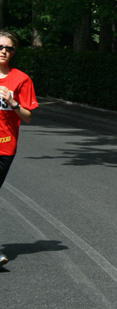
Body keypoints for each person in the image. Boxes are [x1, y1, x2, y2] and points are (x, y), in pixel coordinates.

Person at [0, 30, 38, 267]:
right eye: (0, 47)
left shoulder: (21, 79)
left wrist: (13, 103)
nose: (3, 51)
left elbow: (28, 117)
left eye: (8, 48)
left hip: (4, 146)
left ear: (14, 52)